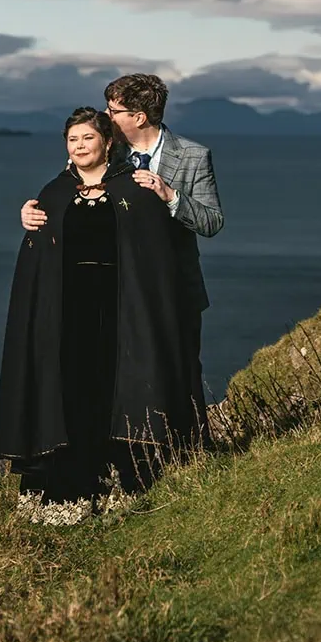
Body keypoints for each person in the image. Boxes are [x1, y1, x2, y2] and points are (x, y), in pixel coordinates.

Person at [0, 105, 204, 522]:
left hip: (123, 312)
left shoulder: (135, 191)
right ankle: (70, 488)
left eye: (88, 138)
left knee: (117, 392)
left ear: (108, 142)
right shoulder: (53, 192)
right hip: (67, 313)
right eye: (72, 140)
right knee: (71, 392)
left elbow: (155, 257)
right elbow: (38, 255)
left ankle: (121, 482)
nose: (80, 146)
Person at [20, 72, 223, 405]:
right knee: (115, 376)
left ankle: (189, 453)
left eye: (113, 111)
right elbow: (67, 197)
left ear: (139, 117)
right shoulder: (103, 149)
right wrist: (33, 213)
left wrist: (171, 196)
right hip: (115, 288)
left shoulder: (193, 156)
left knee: (180, 370)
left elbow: (212, 222)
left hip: (174, 286)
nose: (106, 116)